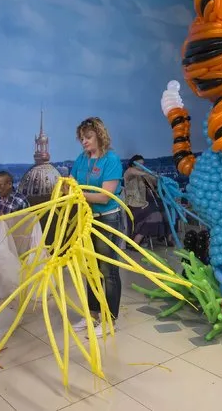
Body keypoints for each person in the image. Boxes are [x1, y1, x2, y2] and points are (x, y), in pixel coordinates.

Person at [69, 117, 123, 338]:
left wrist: (79, 195)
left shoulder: (111, 159)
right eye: (82, 138)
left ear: (99, 135)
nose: (84, 142)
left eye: (88, 137)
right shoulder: (81, 159)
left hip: (107, 218)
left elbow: (104, 196)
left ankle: (109, 320)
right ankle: (92, 314)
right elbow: (71, 182)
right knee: (90, 269)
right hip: (87, 219)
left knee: (108, 270)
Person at [123, 155, 172, 246]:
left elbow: (156, 183)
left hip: (152, 202)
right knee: (155, 213)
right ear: (133, 165)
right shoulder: (128, 174)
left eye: (143, 164)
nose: (142, 166)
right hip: (136, 205)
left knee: (167, 211)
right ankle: (136, 241)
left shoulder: (146, 175)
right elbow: (131, 171)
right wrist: (146, 173)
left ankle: (168, 238)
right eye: (139, 164)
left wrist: (157, 178)